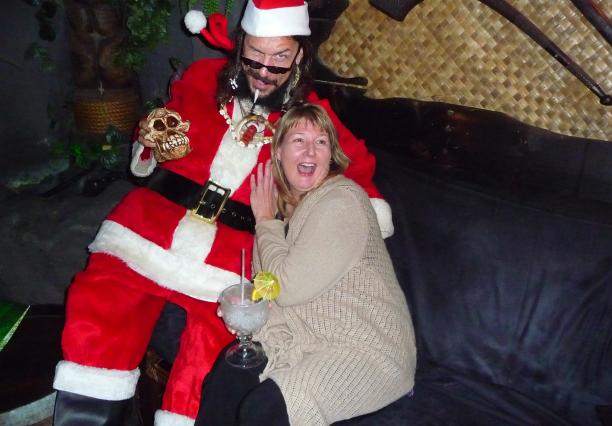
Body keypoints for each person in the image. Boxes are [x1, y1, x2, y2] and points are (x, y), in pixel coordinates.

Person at [51, 1, 394, 425]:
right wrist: (150, 145)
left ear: (299, 56)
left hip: (231, 254)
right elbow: (160, 133)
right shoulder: (201, 78)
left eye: (279, 57)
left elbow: (356, 173)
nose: (264, 70)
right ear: (240, 45)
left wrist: (337, 222)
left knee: (211, 357)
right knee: (99, 305)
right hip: (150, 226)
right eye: (255, 54)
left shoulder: (312, 118)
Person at [195, 103, 416, 426]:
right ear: (279, 152)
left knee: (263, 408)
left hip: (367, 350)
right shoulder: (288, 216)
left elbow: (286, 288)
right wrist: (246, 311)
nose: (310, 151)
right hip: (305, 338)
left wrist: (265, 221)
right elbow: (268, 287)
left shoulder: (342, 200)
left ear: (331, 156)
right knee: (229, 376)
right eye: (299, 140)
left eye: (321, 142)